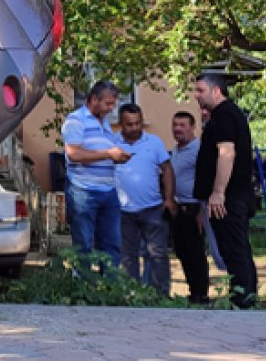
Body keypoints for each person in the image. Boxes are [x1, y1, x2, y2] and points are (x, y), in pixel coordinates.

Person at [191, 73, 258, 309]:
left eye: (200, 90)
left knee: (234, 250)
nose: (196, 96)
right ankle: (244, 297)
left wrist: (218, 192)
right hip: (233, 195)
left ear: (216, 91)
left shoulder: (224, 116)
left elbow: (226, 153)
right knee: (237, 249)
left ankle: (242, 301)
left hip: (229, 197)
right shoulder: (227, 115)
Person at [61, 80, 131, 266]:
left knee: (111, 245)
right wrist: (109, 153)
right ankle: (85, 292)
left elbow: (100, 153)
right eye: (108, 103)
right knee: (83, 245)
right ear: (93, 99)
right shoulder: (76, 120)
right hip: (83, 191)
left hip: (108, 191)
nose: (111, 108)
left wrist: (117, 156)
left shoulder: (105, 124)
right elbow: (73, 153)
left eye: (113, 103)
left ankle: (108, 289)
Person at [115, 103, 176, 295]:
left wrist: (169, 198)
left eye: (138, 123)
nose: (134, 128)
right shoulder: (112, 144)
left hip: (153, 208)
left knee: (158, 254)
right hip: (123, 211)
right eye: (129, 124)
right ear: (121, 124)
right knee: (127, 256)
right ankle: (131, 294)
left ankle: (160, 295)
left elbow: (167, 169)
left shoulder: (154, 142)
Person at [169, 110, 210, 304]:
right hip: (179, 207)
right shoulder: (176, 150)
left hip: (194, 208)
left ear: (192, 127)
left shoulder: (200, 150)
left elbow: (206, 182)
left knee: (195, 252)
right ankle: (193, 290)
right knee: (182, 251)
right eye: (175, 125)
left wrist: (203, 210)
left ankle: (201, 294)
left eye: (182, 125)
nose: (177, 129)